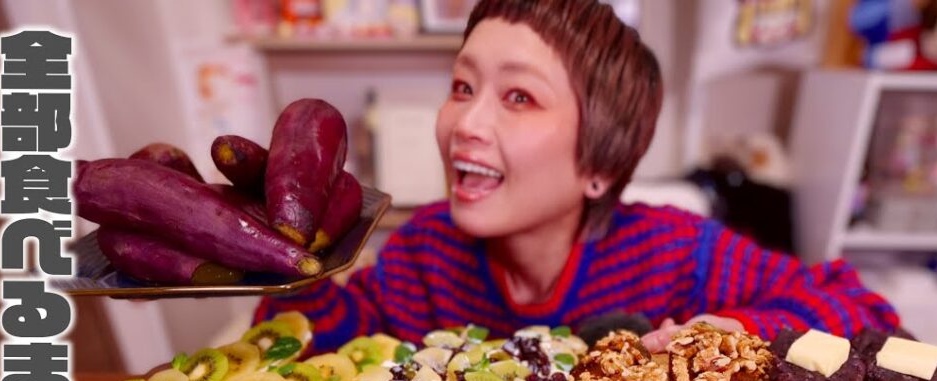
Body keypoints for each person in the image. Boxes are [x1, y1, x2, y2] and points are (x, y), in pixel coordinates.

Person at [254, 0, 899, 353]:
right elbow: (315, 343)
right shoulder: (427, 253)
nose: (464, 123)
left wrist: (739, 330)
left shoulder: (678, 255)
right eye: (462, 86)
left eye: (518, 98)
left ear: (600, 166)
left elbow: (866, 311)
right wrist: (285, 260)